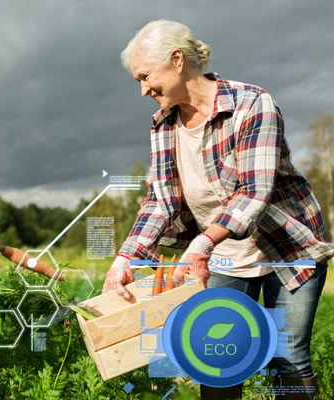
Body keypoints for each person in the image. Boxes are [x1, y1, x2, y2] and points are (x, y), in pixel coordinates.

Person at [103, 20, 333, 400]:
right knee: (217, 360)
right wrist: (126, 257)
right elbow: (161, 199)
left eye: (145, 77)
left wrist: (203, 241)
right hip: (222, 255)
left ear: (177, 60)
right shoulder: (163, 125)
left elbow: (254, 193)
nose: (143, 90)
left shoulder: (251, 104)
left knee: (287, 357)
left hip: (288, 250)